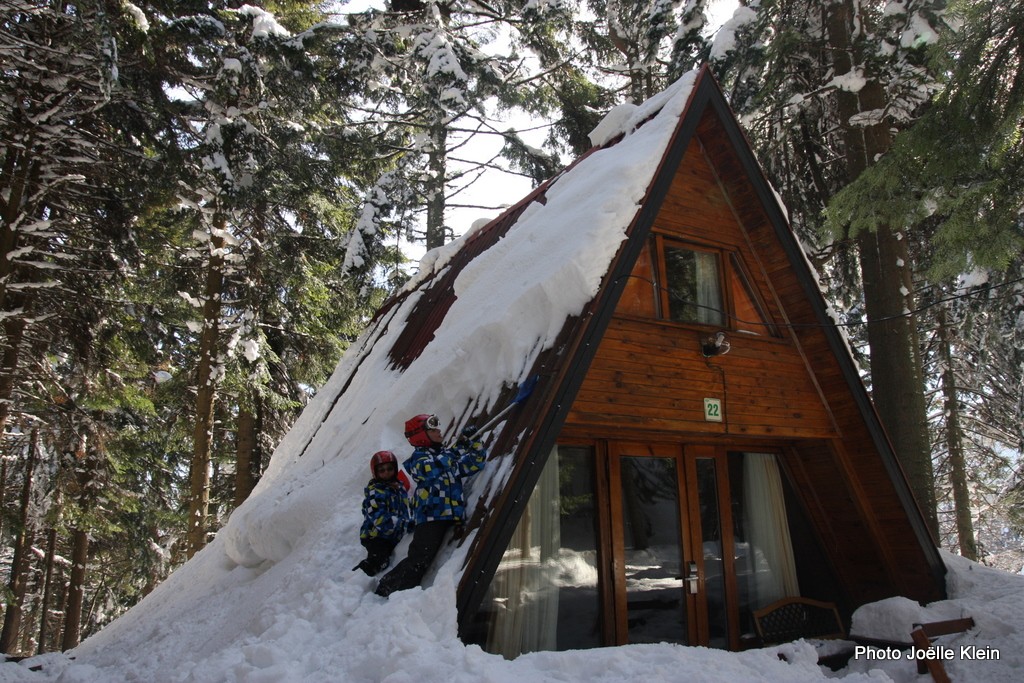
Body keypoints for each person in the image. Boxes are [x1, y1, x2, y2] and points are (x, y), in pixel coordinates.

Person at [374, 413, 486, 597]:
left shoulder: (445, 459)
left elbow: (473, 464)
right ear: (421, 435)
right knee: (420, 557)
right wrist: (457, 449)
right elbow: (429, 470)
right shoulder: (419, 460)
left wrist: (475, 444)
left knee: (426, 556)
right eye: (433, 429)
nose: (439, 430)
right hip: (431, 516)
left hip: (449, 515)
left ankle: (400, 591)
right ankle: (390, 588)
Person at [353, 450, 411, 576]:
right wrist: (404, 524)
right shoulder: (375, 493)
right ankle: (363, 573)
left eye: (390, 468)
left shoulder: (398, 487)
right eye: (382, 470)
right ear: (376, 473)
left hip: (394, 533)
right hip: (375, 535)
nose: (386, 472)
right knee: (381, 558)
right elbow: (379, 519)